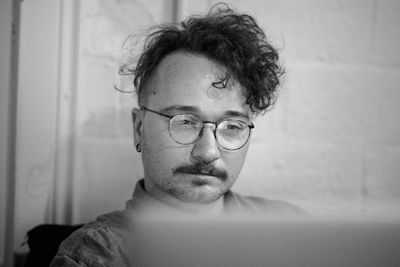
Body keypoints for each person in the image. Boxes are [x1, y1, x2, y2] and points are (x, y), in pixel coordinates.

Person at [50, 4, 306, 266]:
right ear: (139, 129)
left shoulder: (294, 230)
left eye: (232, 126)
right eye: (184, 121)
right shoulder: (96, 256)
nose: (208, 152)